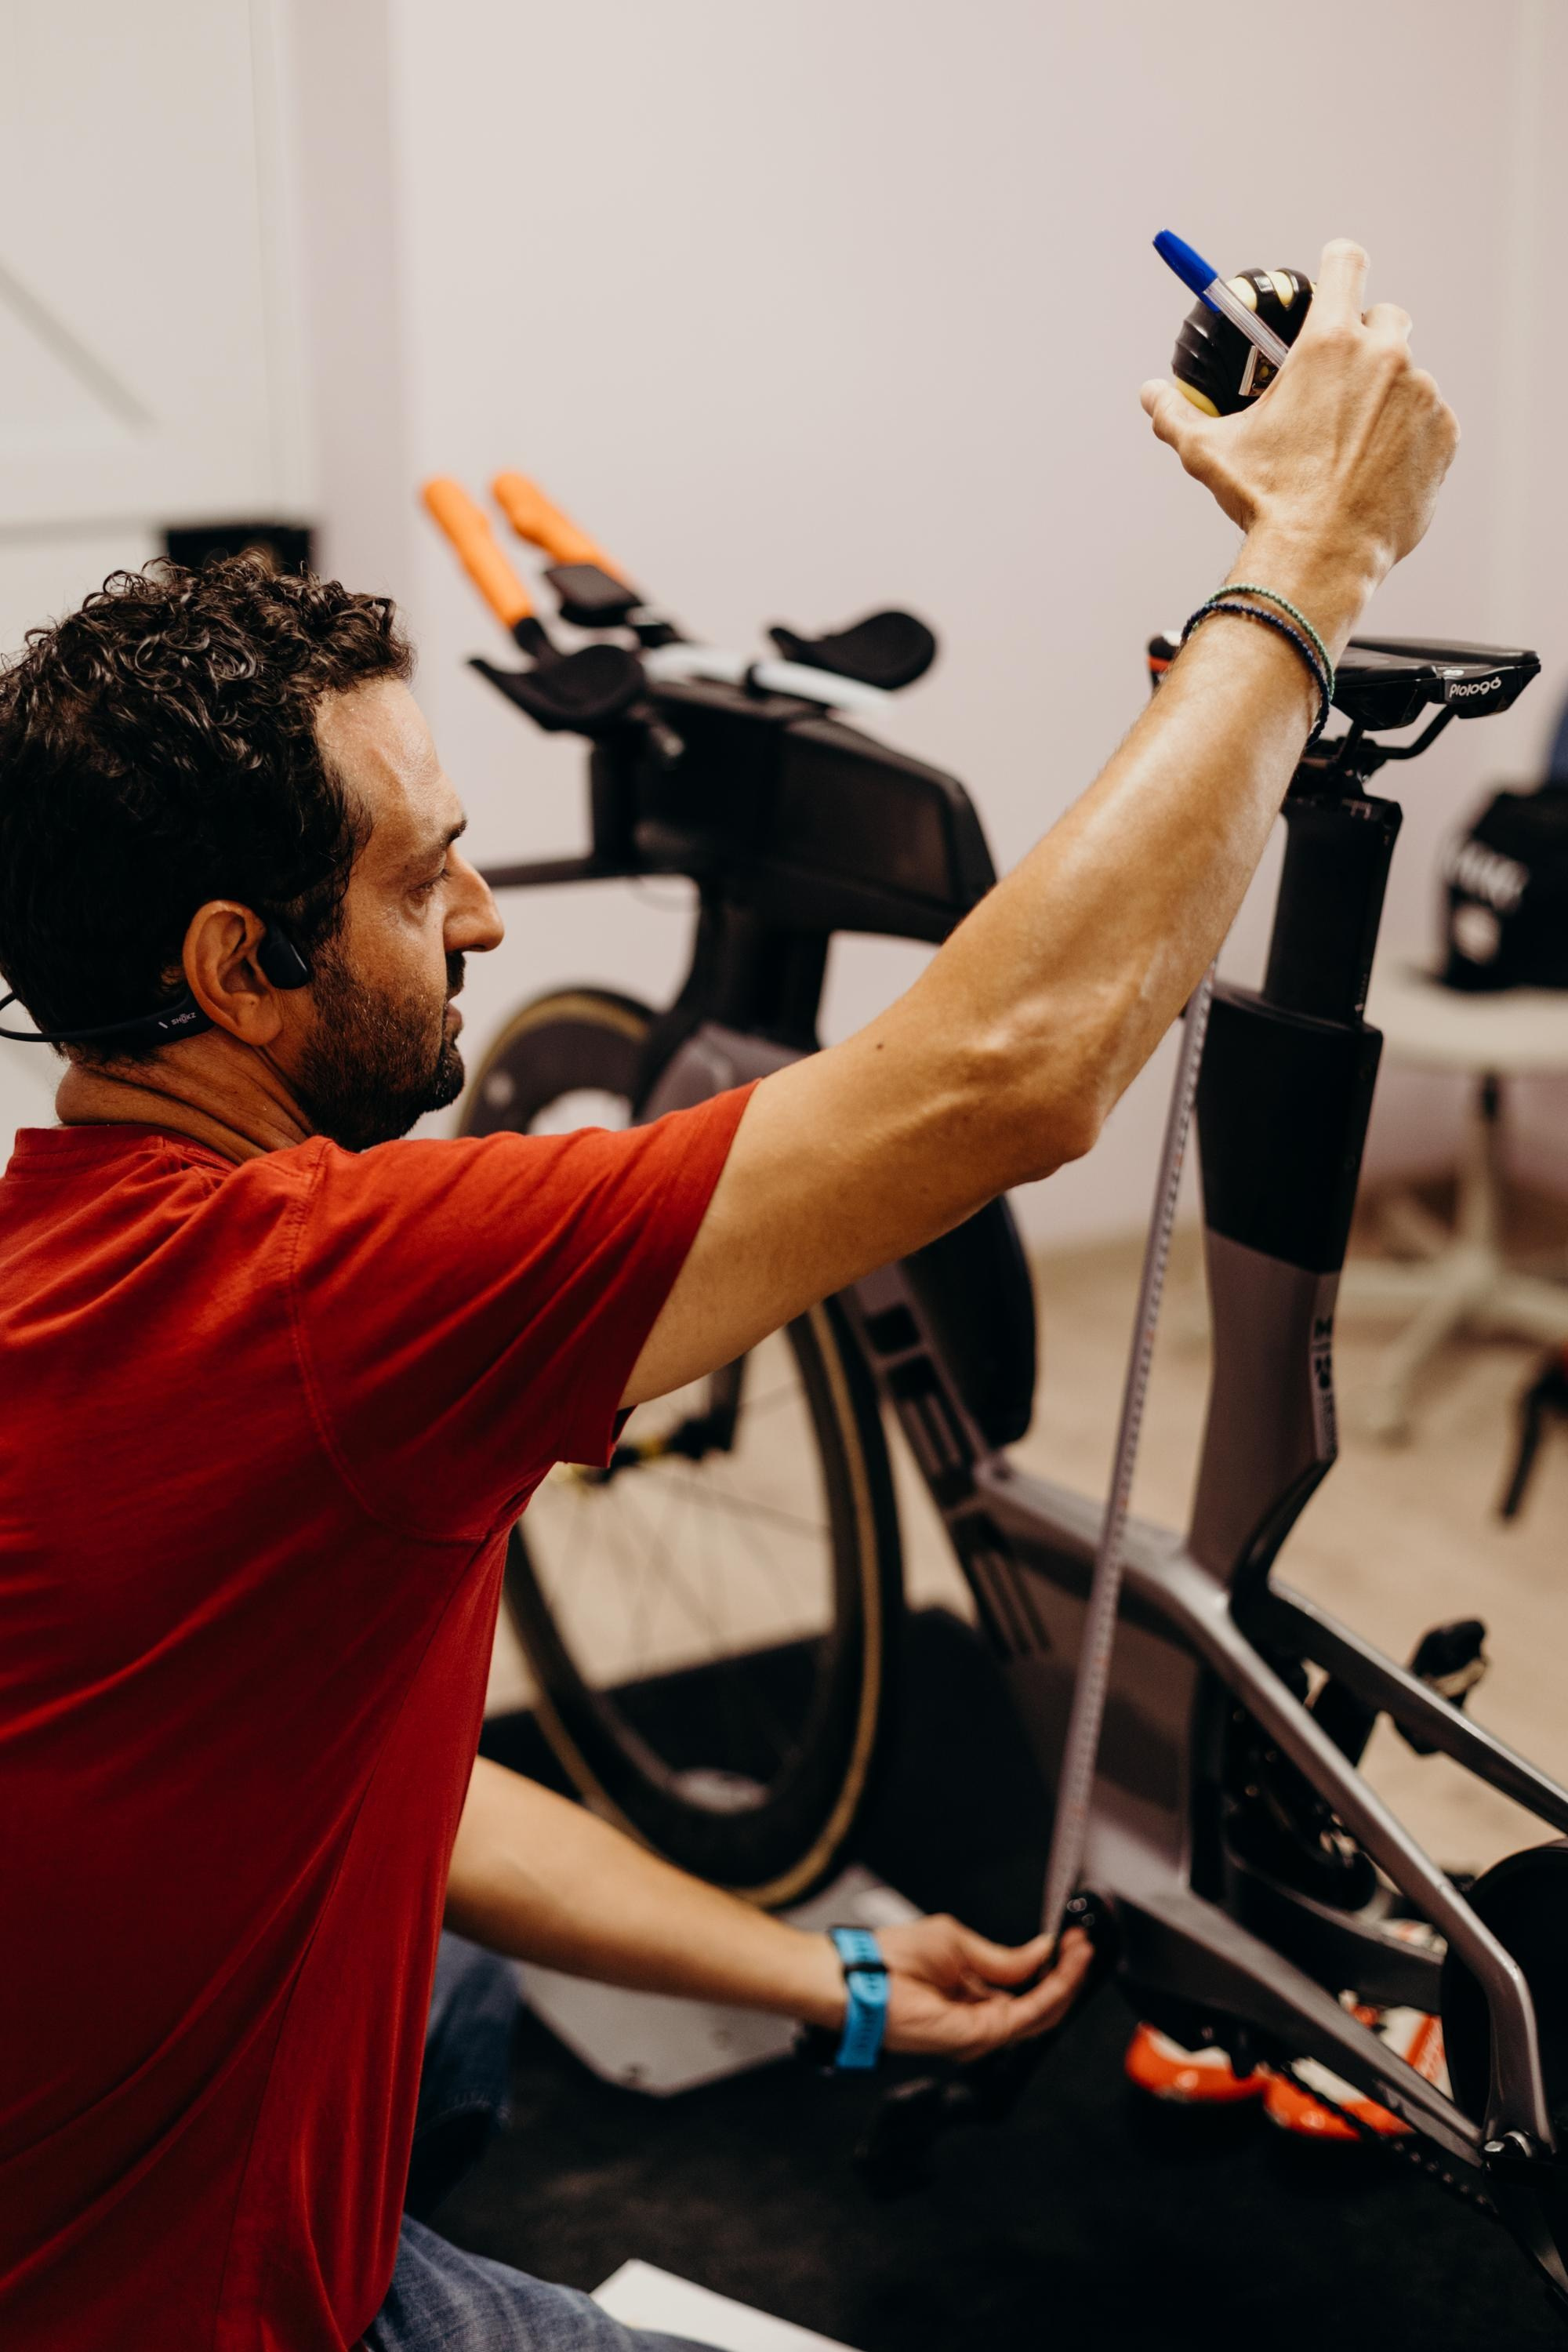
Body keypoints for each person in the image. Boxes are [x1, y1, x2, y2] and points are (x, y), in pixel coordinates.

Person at [0, 238, 1456, 2351]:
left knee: (450, 1997)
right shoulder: (329, 1303)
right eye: (423, 879)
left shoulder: (70, 1247)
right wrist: (1312, 561)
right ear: (240, 967)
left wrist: (828, 1977)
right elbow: (1004, 1073)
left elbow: (369, 1779)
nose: (487, 910)